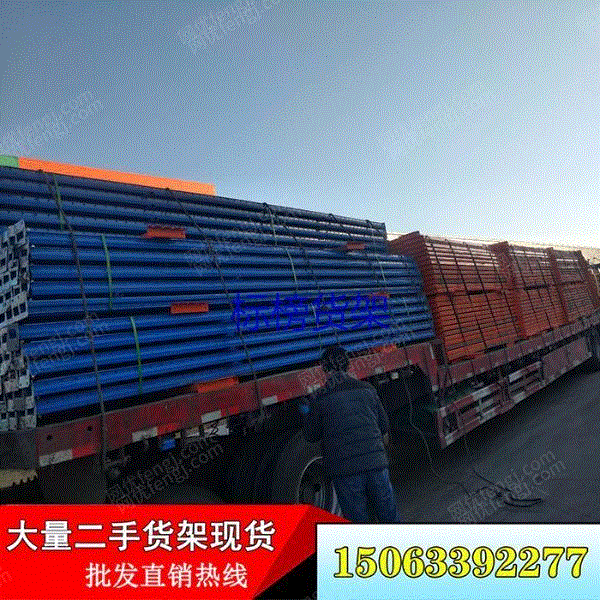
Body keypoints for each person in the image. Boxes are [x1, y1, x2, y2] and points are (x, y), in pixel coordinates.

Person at [300, 345, 399, 523]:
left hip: (346, 471)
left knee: (358, 522)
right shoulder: (368, 389)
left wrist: (306, 414)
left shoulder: (319, 398)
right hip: (376, 465)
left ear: (324, 370)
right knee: (389, 517)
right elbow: (384, 426)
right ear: (348, 365)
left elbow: (311, 436)